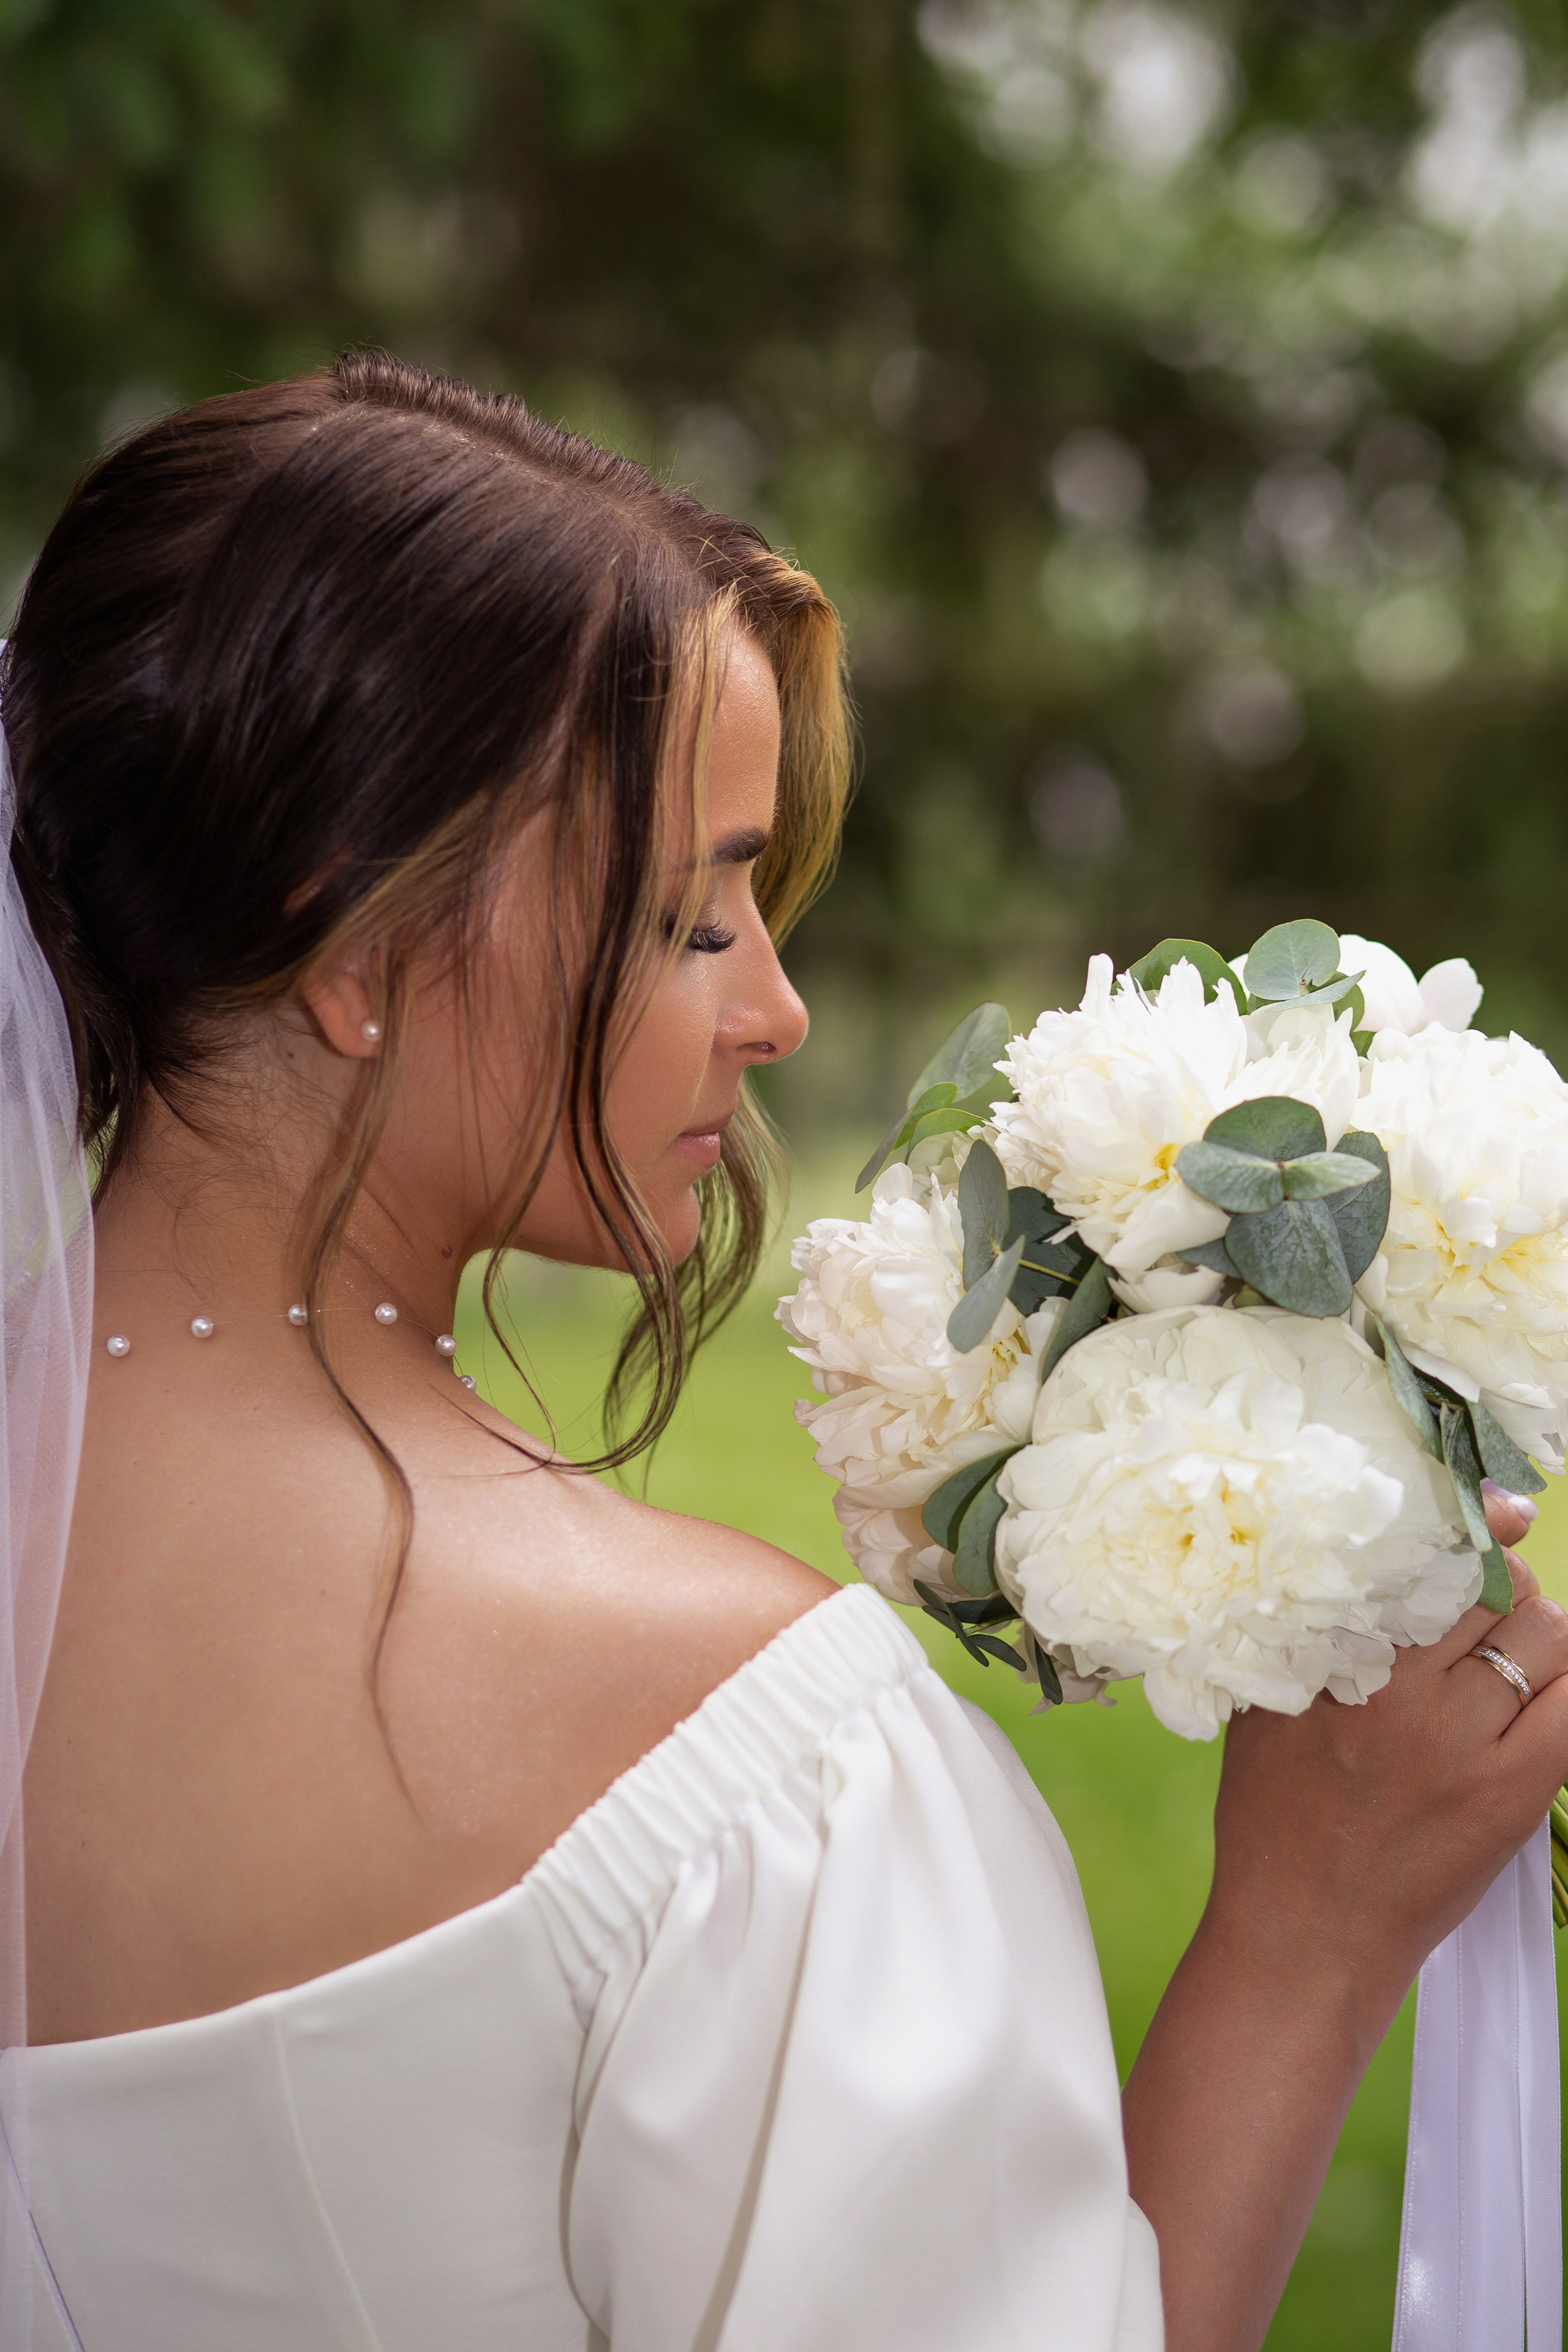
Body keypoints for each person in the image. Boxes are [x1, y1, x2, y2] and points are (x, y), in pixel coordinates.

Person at [6, 353, 1566, 2352]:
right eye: (694, 913)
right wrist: (1302, 1942)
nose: (781, 1014)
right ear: (358, 951)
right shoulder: (743, 1766)